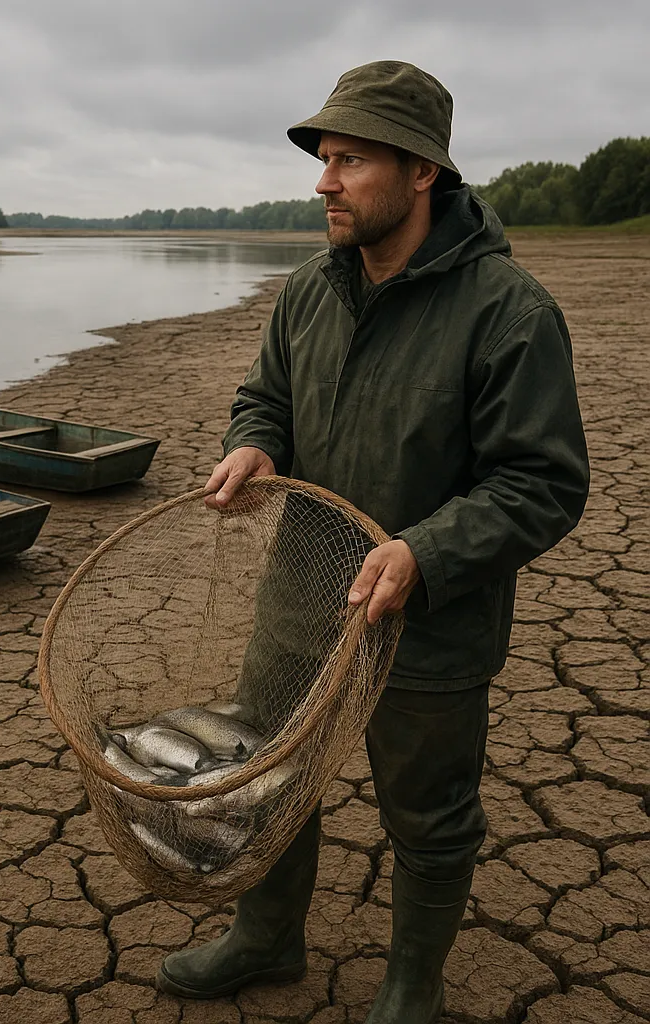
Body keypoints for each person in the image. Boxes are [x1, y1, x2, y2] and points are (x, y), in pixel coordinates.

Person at [155, 60, 590, 1024]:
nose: (323, 181)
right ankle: (266, 939)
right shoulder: (311, 291)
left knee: (429, 818)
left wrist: (424, 554)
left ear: (422, 169)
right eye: (324, 159)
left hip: (427, 619)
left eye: (349, 160)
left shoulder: (509, 311)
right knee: (272, 778)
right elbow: (263, 395)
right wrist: (254, 444)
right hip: (300, 598)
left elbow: (545, 483)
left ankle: (411, 987)